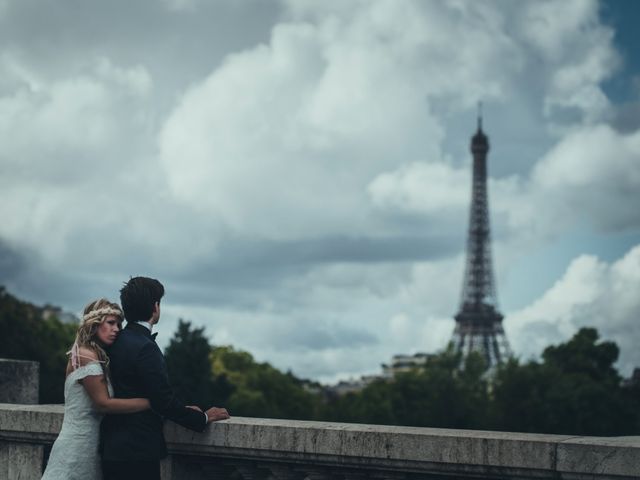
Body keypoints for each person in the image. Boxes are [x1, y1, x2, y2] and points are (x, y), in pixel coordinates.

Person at [100, 276, 230, 480]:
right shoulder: (145, 348)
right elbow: (162, 400)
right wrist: (202, 418)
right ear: (155, 307)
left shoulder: (115, 341)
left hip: (110, 448)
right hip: (138, 452)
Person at [42, 299, 151, 480]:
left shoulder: (97, 355)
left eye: (119, 324)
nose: (116, 329)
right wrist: (151, 402)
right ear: (94, 324)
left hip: (91, 447)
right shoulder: (85, 354)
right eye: (110, 323)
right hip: (76, 449)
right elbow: (103, 404)